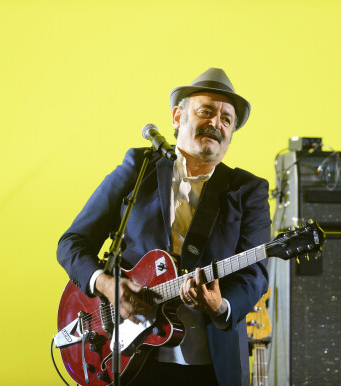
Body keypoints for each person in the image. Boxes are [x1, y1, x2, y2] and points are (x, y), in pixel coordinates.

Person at [57, 67, 271, 386]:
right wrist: (106, 285)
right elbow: (72, 243)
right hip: (127, 359)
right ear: (176, 117)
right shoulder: (137, 167)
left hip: (210, 364)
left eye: (227, 119)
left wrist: (221, 305)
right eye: (206, 111)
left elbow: (255, 274)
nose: (216, 123)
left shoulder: (248, 189)